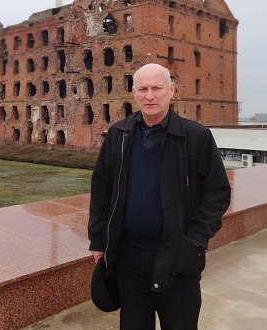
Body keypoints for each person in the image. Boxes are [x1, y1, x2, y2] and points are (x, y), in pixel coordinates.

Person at [88, 63, 231, 330]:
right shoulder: (119, 134)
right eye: (143, 89)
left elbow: (217, 192)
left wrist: (194, 240)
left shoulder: (195, 136)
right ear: (134, 93)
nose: (150, 96)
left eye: (157, 88)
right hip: (129, 259)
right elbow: (102, 189)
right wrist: (98, 240)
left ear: (171, 91)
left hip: (178, 257)